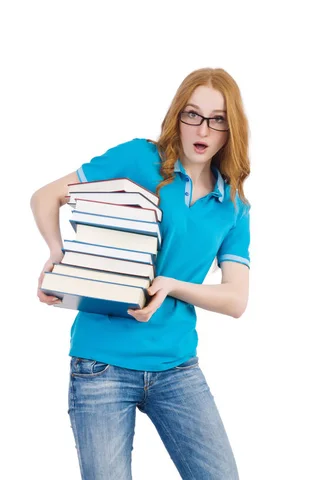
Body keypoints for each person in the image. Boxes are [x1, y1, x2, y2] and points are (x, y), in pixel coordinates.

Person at [30, 68, 250, 480]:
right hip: (101, 363)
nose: (203, 128)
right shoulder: (140, 159)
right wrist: (58, 255)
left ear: (230, 129)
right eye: (192, 115)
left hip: (177, 366)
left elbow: (236, 299)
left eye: (217, 119)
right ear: (176, 117)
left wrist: (172, 286)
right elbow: (46, 197)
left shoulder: (233, 204)